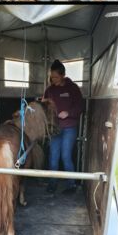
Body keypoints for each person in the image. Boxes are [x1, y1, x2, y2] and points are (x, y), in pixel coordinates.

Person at [43, 59, 83, 194]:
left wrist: (68, 113)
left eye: (55, 76)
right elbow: (44, 106)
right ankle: (52, 183)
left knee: (66, 156)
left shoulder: (73, 88)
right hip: (55, 128)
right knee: (53, 157)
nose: (52, 79)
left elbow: (80, 106)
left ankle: (71, 185)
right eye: (51, 76)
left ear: (63, 75)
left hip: (69, 128)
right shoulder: (49, 90)